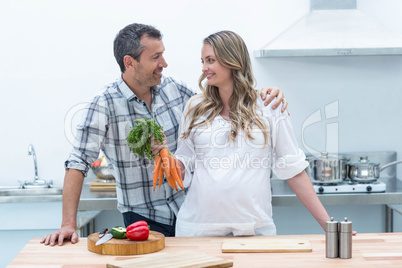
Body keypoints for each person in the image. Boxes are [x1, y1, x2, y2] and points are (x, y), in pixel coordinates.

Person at [40, 23, 287, 246]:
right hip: (143, 220)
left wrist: (262, 95)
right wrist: (68, 225)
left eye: (163, 54)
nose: (164, 63)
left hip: (187, 213)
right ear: (130, 63)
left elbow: (221, 100)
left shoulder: (175, 89)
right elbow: (78, 162)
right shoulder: (104, 105)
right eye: (156, 57)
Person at [159, 30, 331, 236]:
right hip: (197, 229)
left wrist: (328, 224)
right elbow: (183, 168)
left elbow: (293, 170)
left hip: (255, 229)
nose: (204, 68)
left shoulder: (269, 106)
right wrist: (162, 154)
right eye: (203, 61)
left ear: (232, 60)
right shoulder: (195, 107)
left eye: (211, 60)